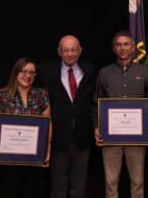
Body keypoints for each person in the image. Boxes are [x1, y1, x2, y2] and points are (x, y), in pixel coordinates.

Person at [94, 30, 148, 198]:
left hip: (136, 137)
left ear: (133, 48)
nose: (122, 48)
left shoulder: (145, 72)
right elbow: (97, 103)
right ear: (114, 48)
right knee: (110, 183)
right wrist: (96, 126)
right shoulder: (104, 73)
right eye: (118, 44)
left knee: (137, 183)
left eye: (126, 44)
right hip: (110, 137)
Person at [37, 35, 97, 198]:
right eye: (66, 50)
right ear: (59, 51)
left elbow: (95, 101)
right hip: (57, 137)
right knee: (58, 186)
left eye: (73, 50)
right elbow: (32, 94)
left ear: (80, 51)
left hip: (82, 137)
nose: (70, 54)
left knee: (79, 186)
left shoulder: (90, 70)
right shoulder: (46, 71)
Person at [0, 57, 51, 198]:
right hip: (9, 158)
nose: (28, 76)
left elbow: (48, 124)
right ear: (15, 72)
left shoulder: (41, 94)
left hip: (33, 156)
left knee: (32, 192)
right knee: (10, 191)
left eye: (32, 73)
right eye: (24, 71)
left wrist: (47, 149)